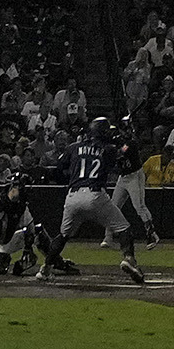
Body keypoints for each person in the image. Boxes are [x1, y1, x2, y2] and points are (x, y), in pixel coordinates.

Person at [60, 121, 148, 283]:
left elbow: (61, 166)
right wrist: (128, 140)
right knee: (124, 228)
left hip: (72, 195)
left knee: (63, 235)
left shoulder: (75, 146)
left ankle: (46, 266)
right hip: (95, 194)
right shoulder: (107, 149)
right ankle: (129, 258)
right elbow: (122, 153)